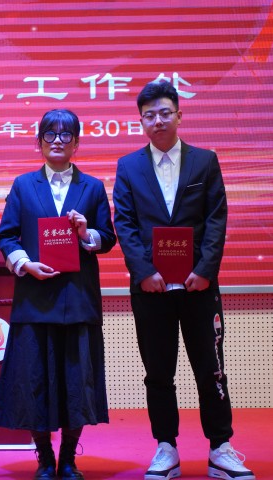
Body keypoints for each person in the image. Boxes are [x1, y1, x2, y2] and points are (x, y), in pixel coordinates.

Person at [112, 80, 255, 480]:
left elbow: (216, 219)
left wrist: (205, 270)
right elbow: (125, 223)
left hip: (199, 287)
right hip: (151, 289)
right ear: (141, 121)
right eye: (149, 115)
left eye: (164, 113)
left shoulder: (205, 161)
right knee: (158, 372)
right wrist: (144, 272)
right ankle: (166, 448)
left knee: (211, 369)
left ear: (179, 115)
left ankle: (220, 447)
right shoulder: (128, 166)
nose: (157, 121)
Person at [0, 109, 116, 480]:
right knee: (34, 382)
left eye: (65, 135)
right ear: (39, 141)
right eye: (50, 134)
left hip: (77, 300)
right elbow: (6, 235)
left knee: (77, 384)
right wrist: (24, 263)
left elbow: (108, 238)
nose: (57, 140)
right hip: (35, 298)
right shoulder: (23, 185)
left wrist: (86, 233)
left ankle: (69, 460)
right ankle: (45, 458)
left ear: (76, 143)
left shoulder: (92, 187)